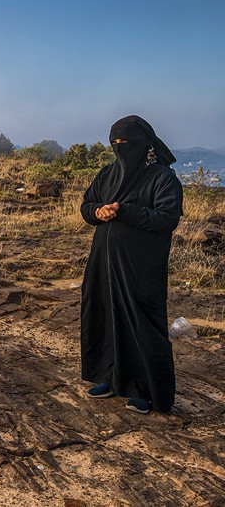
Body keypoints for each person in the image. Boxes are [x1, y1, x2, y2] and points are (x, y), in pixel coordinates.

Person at [80, 115, 183, 414]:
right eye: (115, 142)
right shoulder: (106, 175)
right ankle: (109, 378)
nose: (120, 147)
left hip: (141, 266)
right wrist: (97, 212)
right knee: (104, 314)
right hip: (104, 261)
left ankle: (145, 390)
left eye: (125, 142)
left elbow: (167, 218)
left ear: (144, 144)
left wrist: (125, 211)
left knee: (141, 322)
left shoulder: (162, 178)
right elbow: (87, 205)